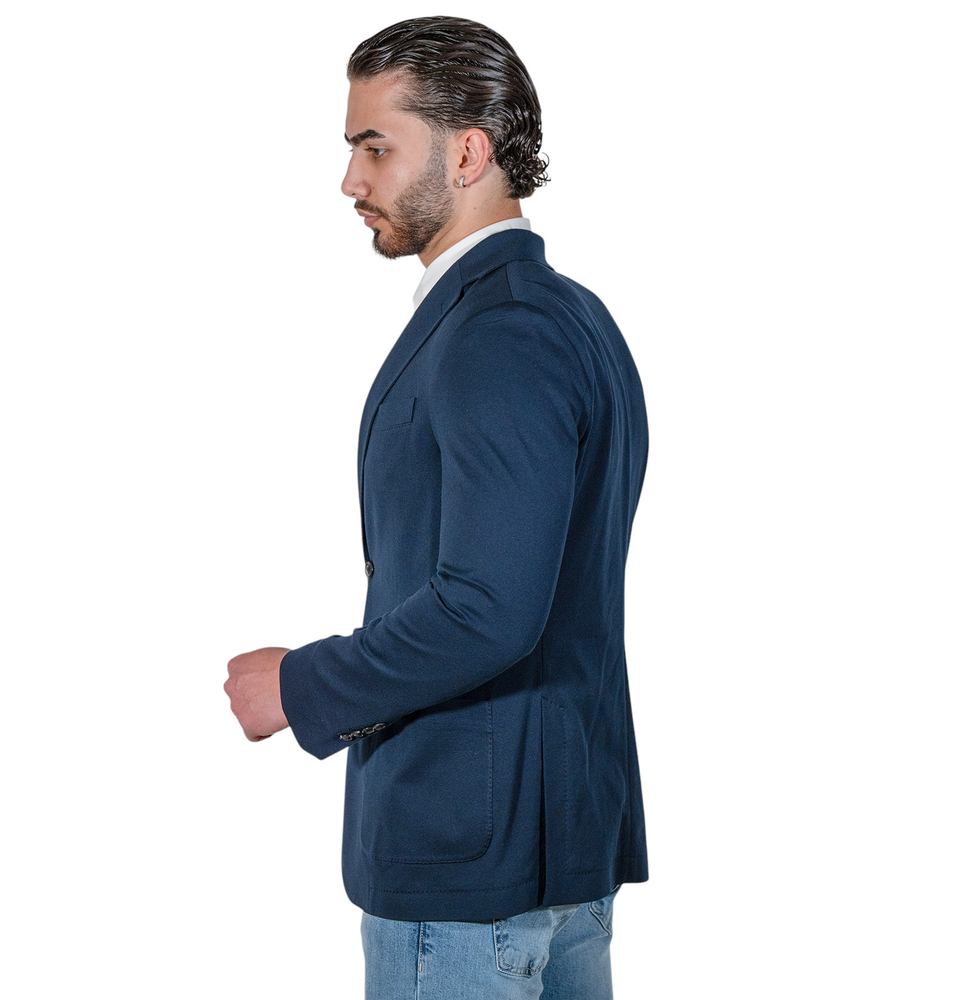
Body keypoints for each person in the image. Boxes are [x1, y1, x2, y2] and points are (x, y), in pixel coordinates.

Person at [225, 16, 648, 999]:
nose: (351, 180)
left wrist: (301, 685)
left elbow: (488, 607)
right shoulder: (571, 317)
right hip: (557, 843)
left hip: (469, 871)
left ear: (466, 153)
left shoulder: (499, 333)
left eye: (375, 147)